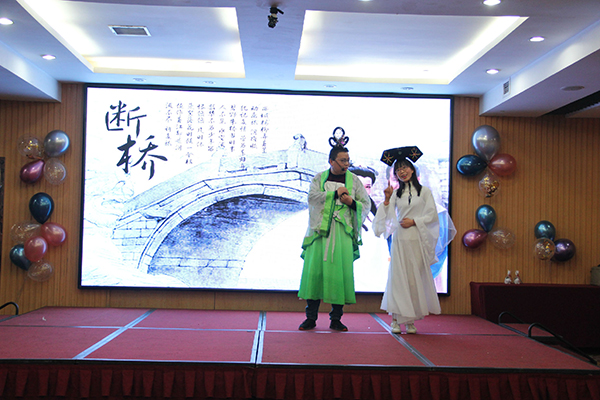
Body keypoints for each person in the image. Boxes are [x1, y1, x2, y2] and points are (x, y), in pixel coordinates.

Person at [374, 146, 453, 334]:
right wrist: (387, 200)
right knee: (398, 278)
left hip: (416, 239)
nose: (402, 172)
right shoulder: (396, 193)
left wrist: (415, 221)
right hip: (400, 240)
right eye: (398, 170)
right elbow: (387, 217)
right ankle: (395, 319)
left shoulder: (424, 192)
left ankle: (410, 321)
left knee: (413, 280)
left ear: (412, 169)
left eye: (404, 167)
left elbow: (432, 216)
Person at [298, 128, 371, 331]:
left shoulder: (354, 180)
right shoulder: (319, 178)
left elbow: (365, 204)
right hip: (320, 232)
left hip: (342, 231)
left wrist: (351, 203)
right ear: (331, 161)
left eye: (348, 160)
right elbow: (312, 198)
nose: (346, 164)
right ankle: (310, 317)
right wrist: (334, 194)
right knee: (315, 273)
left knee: (340, 274)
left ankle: (336, 319)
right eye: (342, 160)